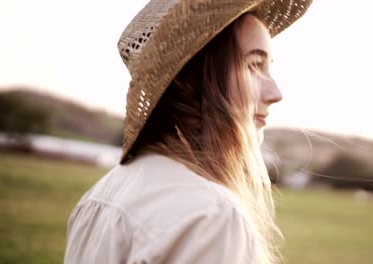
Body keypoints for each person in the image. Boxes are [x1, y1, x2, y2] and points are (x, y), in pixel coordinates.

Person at [64, 0, 311, 263]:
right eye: (253, 65)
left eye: (267, 66)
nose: (275, 93)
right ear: (192, 79)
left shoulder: (99, 196)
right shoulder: (212, 216)